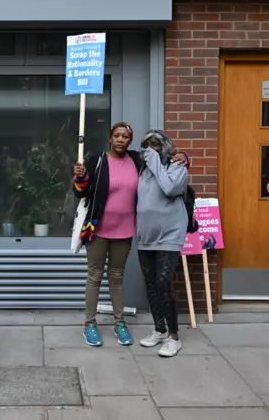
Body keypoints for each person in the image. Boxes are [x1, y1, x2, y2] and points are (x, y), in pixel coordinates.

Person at [73, 123, 189, 347]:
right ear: (110, 138)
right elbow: (81, 191)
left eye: (125, 137)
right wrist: (80, 177)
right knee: (94, 276)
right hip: (98, 229)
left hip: (125, 230)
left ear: (130, 141)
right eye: (116, 135)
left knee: (117, 278)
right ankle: (89, 325)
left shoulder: (138, 161)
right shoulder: (97, 159)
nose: (120, 139)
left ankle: (119, 323)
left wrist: (184, 156)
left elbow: (164, 159)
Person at [135, 129, 189, 357]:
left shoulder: (177, 167)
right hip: (145, 235)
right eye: (147, 145)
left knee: (164, 282)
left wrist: (159, 160)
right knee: (151, 284)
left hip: (170, 234)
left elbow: (169, 188)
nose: (151, 149)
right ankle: (159, 329)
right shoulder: (141, 170)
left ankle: (174, 336)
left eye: (156, 144)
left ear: (166, 146)